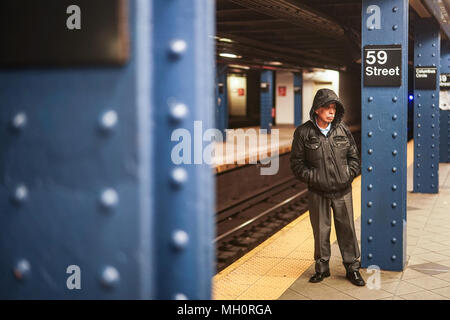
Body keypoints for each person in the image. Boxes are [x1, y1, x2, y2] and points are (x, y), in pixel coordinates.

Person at [290, 88, 365, 286]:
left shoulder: (343, 130)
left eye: (334, 108)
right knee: (321, 231)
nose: (331, 112)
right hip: (318, 192)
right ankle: (322, 269)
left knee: (347, 229)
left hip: (343, 191)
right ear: (317, 110)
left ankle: (352, 268)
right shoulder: (303, 132)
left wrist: (348, 175)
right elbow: (296, 163)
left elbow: (354, 157)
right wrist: (313, 177)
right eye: (327, 108)